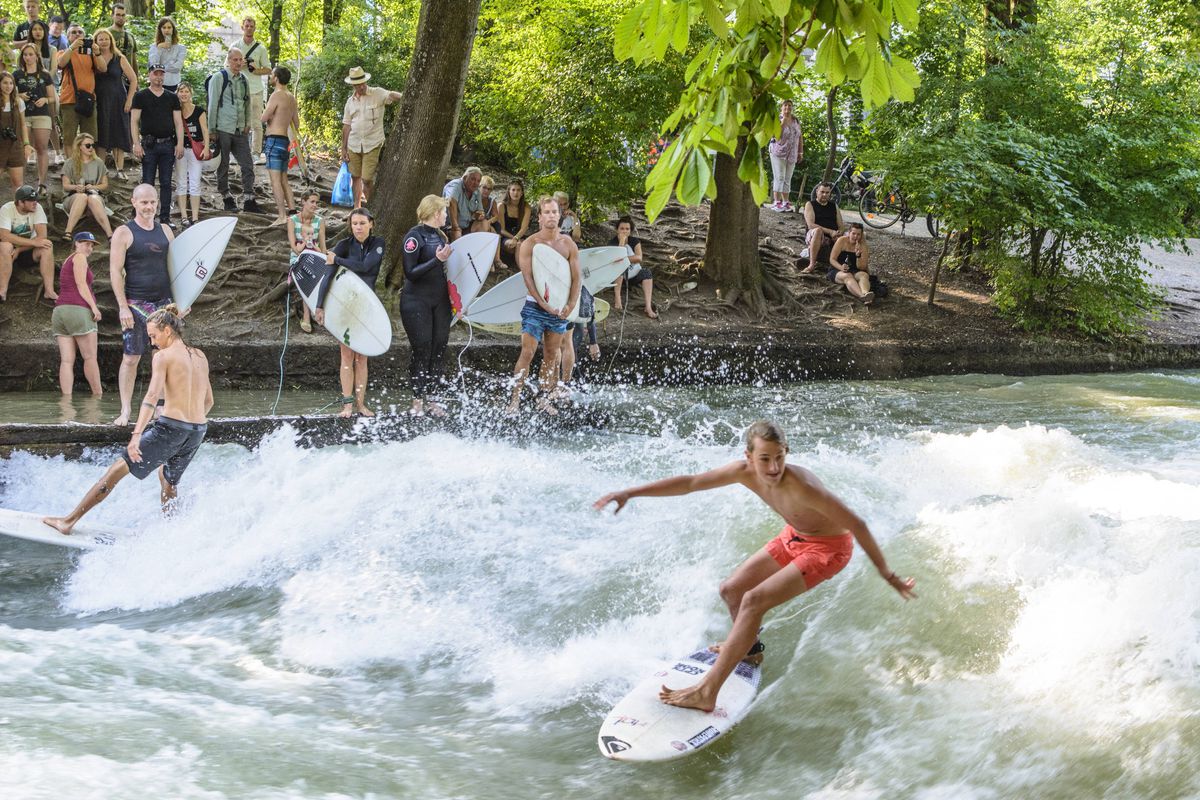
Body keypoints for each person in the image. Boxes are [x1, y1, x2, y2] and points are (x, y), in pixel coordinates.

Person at [593, 420, 916, 712]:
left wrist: (887, 574)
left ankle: (707, 692)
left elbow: (857, 524)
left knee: (753, 601)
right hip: (795, 537)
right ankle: (749, 650)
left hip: (828, 550)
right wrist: (630, 492)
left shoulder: (802, 487)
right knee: (732, 590)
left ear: (786, 452)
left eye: (779, 457)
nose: (774, 467)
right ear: (748, 457)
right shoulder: (741, 472)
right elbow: (690, 483)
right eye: (764, 459)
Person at [43, 304, 212, 537]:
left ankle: (68, 522)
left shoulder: (163, 356)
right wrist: (189, 422)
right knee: (168, 479)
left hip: (171, 428)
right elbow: (209, 401)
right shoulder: (200, 355)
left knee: (116, 471)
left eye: (153, 336)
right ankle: (173, 534)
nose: (152, 342)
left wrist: (136, 436)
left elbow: (151, 397)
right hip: (197, 430)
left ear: (167, 331)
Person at [505, 196, 581, 416]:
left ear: (560, 215)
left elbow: (576, 279)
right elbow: (528, 279)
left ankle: (543, 397)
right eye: (546, 212)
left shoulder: (568, 244)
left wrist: (570, 305)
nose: (550, 216)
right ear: (539, 217)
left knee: (551, 354)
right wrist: (543, 304)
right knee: (527, 352)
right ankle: (515, 399)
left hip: (559, 309)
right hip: (534, 308)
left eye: (554, 212)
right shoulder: (530, 243)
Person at [110, 183, 176, 426]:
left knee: (164, 357)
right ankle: (126, 410)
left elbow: (176, 269)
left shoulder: (167, 231)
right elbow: (116, 272)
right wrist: (122, 307)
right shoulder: (124, 233)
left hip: (164, 305)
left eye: (152, 202)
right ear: (133, 202)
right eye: (144, 202)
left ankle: (160, 406)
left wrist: (182, 301)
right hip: (135, 304)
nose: (149, 207)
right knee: (131, 358)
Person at [315, 207, 383, 418]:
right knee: (346, 355)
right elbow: (327, 276)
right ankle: (347, 405)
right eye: (354, 224)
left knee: (361, 357)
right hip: (345, 305)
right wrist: (319, 305)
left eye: (362, 223)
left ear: (371, 224)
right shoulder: (343, 246)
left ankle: (361, 404)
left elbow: (365, 267)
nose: (358, 227)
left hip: (366, 306)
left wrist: (336, 259)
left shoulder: (378, 244)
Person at [399, 195, 454, 416]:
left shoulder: (441, 236)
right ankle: (417, 401)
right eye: (444, 212)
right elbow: (410, 273)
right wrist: (436, 260)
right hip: (416, 301)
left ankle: (433, 399)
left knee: (438, 350)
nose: (447, 215)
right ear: (435, 213)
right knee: (422, 350)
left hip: (439, 301)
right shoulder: (414, 237)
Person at [130, 62, 183, 227]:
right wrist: (136, 144)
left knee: (166, 182)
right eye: (155, 74)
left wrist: (180, 144)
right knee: (147, 182)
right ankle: (144, 218)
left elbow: (178, 122)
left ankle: (165, 218)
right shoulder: (140, 96)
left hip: (167, 144)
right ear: (149, 75)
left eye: (161, 74)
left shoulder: (172, 97)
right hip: (149, 145)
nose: (158, 77)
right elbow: (134, 121)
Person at [207, 48, 260, 213]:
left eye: (240, 60)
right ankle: (226, 197)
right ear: (229, 61)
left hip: (240, 130)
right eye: (235, 60)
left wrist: (247, 123)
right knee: (223, 165)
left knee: (247, 164)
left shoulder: (244, 79)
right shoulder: (218, 78)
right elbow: (213, 104)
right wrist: (211, 129)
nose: (238, 63)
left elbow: (247, 103)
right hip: (222, 128)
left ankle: (249, 199)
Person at [340, 66, 401, 207]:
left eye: (363, 83)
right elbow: (346, 126)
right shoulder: (350, 102)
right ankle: (357, 207)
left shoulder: (377, 93)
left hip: (372, 143)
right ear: (353, 85)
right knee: (355, 177)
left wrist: (406, 96)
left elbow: (391, 95)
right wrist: (343, 148)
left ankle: (371, 207)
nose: (361, 86)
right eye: (358, 84)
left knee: (366, 178)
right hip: (353, 144)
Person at [52, 231, 102, 396]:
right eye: (86, 243)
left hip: (60, 312)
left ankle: (66, 403)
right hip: (78, 309)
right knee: (90, 357)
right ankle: (98, 397)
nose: (90, 248)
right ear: (76, 243)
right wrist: (94, 307)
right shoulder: (79, 257)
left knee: (66, 361)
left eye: (92, 245)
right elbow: (81, 285)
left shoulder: (67, 260)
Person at [91, 27, 137, 179]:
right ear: (95, 42)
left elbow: (133, 79)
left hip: (119, 100)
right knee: (102, 134)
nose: (103, 42)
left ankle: (120, 170)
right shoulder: (92, 57)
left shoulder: (120, 58)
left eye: (106, 38)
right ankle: (100, 170)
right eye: (100, 39)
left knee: (119, 133)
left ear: (111, 40)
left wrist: (130, 99)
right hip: (100, 101)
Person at [0, 184, 54, 301]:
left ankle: (49, 291)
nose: (35, 203)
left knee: (47, 246)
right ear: (20, 202)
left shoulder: (37, 208)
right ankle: (2, 291)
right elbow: (4, 236)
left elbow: (42, 237)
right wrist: (33, 243)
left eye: (35, 200)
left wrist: (19, 249)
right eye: (30, 200)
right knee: (5, 245)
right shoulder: (7, 209)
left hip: (26, 251)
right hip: (6, 254)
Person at [260, 65, 298, 225]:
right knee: (284, 180)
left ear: (276, 78)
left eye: (271, 74)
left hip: (273, 140)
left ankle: (282, 216)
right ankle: (293, 213)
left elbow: (264, 117)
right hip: (285, 141)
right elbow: (296, 123)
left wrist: (268, 116)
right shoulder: (291, 97)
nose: (270, 77)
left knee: (275, 181)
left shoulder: (276, 95)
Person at [14, 44, 53, 194]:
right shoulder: (17, 74)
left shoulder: (44, 74)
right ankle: (21, 186)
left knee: (42, 148)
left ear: (37, 56)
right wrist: (19, 96)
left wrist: (45, 100)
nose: (28, 57)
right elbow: (9, 94)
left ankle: (42, 184)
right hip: (24, 116)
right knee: (24, 149)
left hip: (42, 114)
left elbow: (52, 98)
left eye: (30, 54)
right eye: (25, 55)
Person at [287, 189, 325, 333]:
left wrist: (320, 254)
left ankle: (317, 311)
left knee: (322, 275)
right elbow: (294, 247)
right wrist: (304, 246)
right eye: (312, 202)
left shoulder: (320, 221)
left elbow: (323, 246)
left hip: (315, 256)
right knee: (307, 277)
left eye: (316, 202)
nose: (315, 205)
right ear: (303, 201)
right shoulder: (292, 220)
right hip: (298, 257)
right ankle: (307, 316)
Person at [61, 133, 113, 238]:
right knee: (82, 196)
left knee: (92, 198)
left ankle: (110, 235)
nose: (91, 148)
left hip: (94, 196)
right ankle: (68, 232)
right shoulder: (69, 163)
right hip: (73, 197)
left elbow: (105, 184)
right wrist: (76, 187)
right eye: (88, 145)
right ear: (79, 146)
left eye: (92, 145)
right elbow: (65, 185)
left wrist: (93, 187)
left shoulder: (99, 162)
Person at [56, 22, 97, 154]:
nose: (77, 34)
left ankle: (88, 168)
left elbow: (103, 68)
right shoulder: (62, 52)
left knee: (89, 138)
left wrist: (97, 52)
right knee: (69, 138)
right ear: (67, 37)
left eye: (80, 32)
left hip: (89, 100)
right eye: (73, 32)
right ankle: (70, 169)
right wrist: (72, 48)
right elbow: (61, 63)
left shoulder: (91, 54)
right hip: (69, 101)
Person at [235, 16, 270, 159]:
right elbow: (226, 67)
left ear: (255, 28)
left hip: (256, 90)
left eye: (251, 26)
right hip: (238, 90)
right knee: (238, 123)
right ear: (242, 27)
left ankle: (255, 152)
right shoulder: (235, 47)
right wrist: (239, 65)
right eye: (247, 26)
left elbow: (268, 69)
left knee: (256, 123)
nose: (249, 28)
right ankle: (239, 152)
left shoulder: (261, 48)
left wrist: (255, 70)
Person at [173, 82, 208, 228]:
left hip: (195, 150)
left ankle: (195, 216)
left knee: (195, 183)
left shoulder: (199, 111)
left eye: (186, 91)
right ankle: (183, 216)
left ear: (191, 93)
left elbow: (205, 130)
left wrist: (206, 148)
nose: (184, 94)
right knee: (181, 182)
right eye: (181, 91)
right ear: (177, 93)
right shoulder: (175, 111)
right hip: (180, 149)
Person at [609, 216, 657, 319]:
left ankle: (648, 307)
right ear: (617, 230)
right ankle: (618, 298)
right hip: (618, 278)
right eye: (622, 228)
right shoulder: (612, 243)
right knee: (619, 268)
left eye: (627, 229)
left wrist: (624, 258)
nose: (624, 231)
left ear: (630, 231)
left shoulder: (634, 241)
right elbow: (616, 259)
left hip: (633, 274)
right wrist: (622, 242)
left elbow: (639, 258)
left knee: (646, 273)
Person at [0, 71, 33, 196]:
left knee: (18, 185)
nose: (8, 86)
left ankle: (18, 213)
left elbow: (23, 124)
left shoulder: (18, 102)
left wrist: (26, 144)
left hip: (15, 146)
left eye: (11, 83)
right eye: (4, 83)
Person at [767, 100, 803, 212]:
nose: (788, 107)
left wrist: (800, 152)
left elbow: (800, 137)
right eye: (785, 105)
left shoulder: (796, 120)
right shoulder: (777, 119)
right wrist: (783, 122)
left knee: (788, 178)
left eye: (790, 105)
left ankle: (785, 202)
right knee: (779, 177)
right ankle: (776, 202)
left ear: (792, 108)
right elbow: (774, 135)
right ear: (781, 108)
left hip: (792, 154)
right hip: (778, 152)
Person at [800, 181, 843, 273]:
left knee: (857, 234)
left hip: (833, 235)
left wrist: (838, 233)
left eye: (827, 193)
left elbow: (841, 226)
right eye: (822, 192)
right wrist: (830, 232)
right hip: (815, 234)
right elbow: (811, 225)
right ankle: (811, 265)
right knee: (818, 230)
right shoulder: (810, 204)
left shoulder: (834, 206)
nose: (824, 195)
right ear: (817, 192)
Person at [827, 222, 874, 304]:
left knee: (864, 275)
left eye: (858, 234)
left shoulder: (863, 246)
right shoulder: (841, 241)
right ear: (849, 233)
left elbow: (862, 267)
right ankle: (862, 296)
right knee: (847, 276)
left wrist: (858, 256)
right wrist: (841, 267)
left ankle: (866, 293)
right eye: (853, 233)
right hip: (837, 269)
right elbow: (832, 259)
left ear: (861, 235)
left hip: (854, 270)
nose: (855, 236)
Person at [442, 166, 485, 241]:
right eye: (473, 179)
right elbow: (451, 203)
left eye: (478, 181)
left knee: (485, 224)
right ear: (465, 178)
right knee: (457, 234)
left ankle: (475, 250)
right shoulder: (455, 185)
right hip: (450, 226)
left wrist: (480, 215)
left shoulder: (476, 191)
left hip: (467, 225)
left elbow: (480, 211)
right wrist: (455, 228)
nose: (476, 183)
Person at [495, 178, 528, 270]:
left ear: (522, 193)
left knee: (526, 246)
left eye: (518, 190)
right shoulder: (501, 206)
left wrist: (516, 238)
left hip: (519, 235)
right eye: (513, 190)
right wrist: (514, 239)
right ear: (508, 191)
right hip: (505, 237)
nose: (516, 193)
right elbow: (501, 229)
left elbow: (524, 228)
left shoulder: (526, 207)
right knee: (517, 245)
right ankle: (522, 271)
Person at [147, 17, 186, 93]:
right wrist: (159, 49)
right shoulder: (154, 47)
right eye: (164, 27)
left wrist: (161, 68)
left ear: (173, 29)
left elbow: (177, 67)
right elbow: (153, 65)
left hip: (174, 83)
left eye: (169, 27)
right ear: (160, 29)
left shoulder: (181, 48)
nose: (166, 30)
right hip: (157, 83)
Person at [109, 2, 138, 73]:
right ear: (112, 15)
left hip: (127, 77)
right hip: (110, 76)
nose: (121, 18)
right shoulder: (105, 33)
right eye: (118, 15)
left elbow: (134, 60)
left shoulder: (130, 36)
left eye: (123, 15)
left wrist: (136, 80)